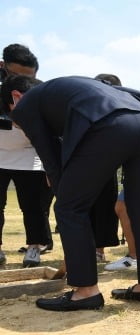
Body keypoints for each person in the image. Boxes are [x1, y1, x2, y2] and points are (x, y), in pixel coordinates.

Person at [2, 75, 140, 311]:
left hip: (109, 126)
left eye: (15, 120)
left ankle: (85, 291)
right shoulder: (67, 90)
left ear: (15, 97)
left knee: (68, 208)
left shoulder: (27, 103)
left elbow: (50, 157)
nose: (19, 126)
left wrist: (67, 209)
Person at [0, 43, 50, 268]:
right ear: (4, 68)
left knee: (33, 206)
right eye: (16, 75)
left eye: (28, 77)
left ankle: (34, 248)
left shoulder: (38, 93)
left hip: (29, 158)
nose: (21, 82)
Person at [90, 73, 123, 263]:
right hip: (83, 166)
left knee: (104, 210)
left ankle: (99, 249)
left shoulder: (120, 108)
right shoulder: (85, 107)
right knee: (83, 210)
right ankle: (83, 247)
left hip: (108, 166)